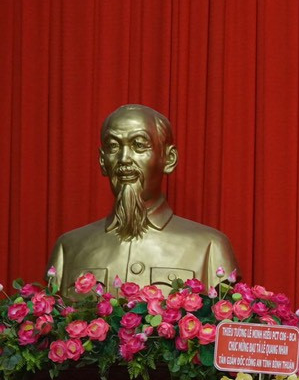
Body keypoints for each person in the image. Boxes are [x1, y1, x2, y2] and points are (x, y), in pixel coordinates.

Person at [48, 104, 238, 293]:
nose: (124, 159)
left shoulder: (210, 247)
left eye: (138, 145)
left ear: (169, 158)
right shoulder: (69, 247)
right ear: (102, 161)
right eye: (113, 146)